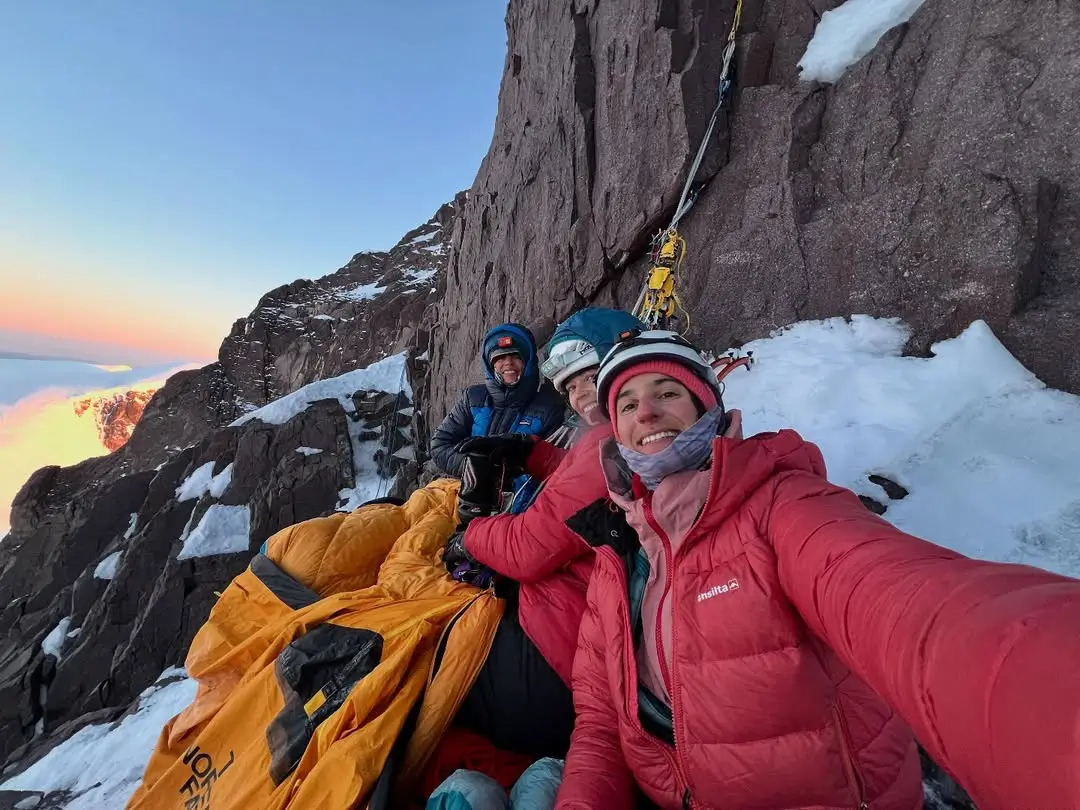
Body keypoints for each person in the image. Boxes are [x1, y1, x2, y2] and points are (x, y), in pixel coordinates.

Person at [556, 329, 1080, 810]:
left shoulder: (781, 504)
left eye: (666, 393)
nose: (645, 413)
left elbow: (900, 602)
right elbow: (601, 721)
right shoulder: (616, 554)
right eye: (627, 403)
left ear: (707, 408)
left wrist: (1042, 694)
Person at [440, 309, 646, 765]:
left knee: (427, 689)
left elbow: (527, 550)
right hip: (582, 640)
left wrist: (469, 536)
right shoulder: (632, 435)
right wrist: (533, 454)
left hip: (554, 652)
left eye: (587, 378)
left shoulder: (607, 443)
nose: (577, 396)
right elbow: (585, 488)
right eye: (569, 386)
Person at [430, 323, 566, 478]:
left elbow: (557, 465)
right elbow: (440, 444)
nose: (508, 362)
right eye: (500, 357)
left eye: (516, 356)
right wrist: (471, 467)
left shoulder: (548, 408)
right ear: (491, 365)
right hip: (466, 489)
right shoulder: (472, 398)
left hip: (520, 497)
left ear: (527, 363)